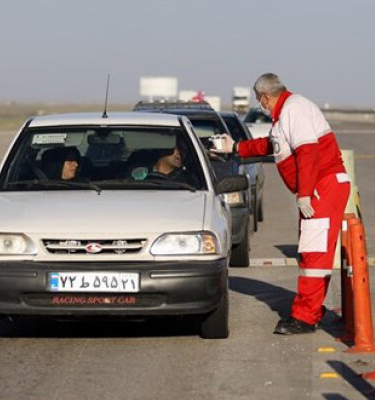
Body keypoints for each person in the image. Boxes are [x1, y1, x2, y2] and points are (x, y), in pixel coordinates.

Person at [212, 73, 350, 335]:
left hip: (322, 187)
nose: (260, 105)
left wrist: (306, 194)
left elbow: (308, 151)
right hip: (320, 187)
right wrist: (236, 147)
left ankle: (305, 317)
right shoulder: (286, 113)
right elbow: (271, 145)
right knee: (312, 252)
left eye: (259, 100)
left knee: (313, 255)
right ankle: (312, 309)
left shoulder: (293, 109)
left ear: (265, 97)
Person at [129, 145, 198, 187]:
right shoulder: (138, 171)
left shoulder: (187, 180)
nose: (180, 154)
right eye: (177, 149)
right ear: (163, 150)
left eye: (184, 150)